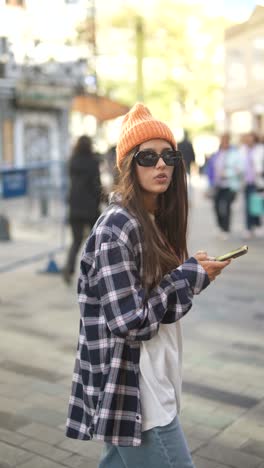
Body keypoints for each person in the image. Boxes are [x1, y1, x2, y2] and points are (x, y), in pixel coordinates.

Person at [66, 103, 230, 468]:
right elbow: (129, 321)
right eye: (148, 156)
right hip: (137, 393)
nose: (161, 164)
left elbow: (162, 301)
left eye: (168, 155)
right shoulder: (116, 228)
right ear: (128, 164)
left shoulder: (153, 220)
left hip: (154, 380)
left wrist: (193, 274)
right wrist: (187, 278)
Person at [63, 135, 101, 284]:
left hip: (75, 206)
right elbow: (96, 185)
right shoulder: (93, 162)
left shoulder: (72, 161)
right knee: (96, 242)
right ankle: (96, 273)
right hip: (90, 208)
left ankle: (69, 269)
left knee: (76, 241)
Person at [206, 133, 241, 239]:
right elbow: (211, 169)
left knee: (225, 207)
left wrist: (227, 174)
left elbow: (239, 169)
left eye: (226, 140)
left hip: (230, 185)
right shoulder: (217, 154)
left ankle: (226, 229)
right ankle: (220, 226)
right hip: (217, 185)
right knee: (216, 206)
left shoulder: (235, 154)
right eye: (222, 140)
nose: (224, 142)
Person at [239, 132, 264, 238]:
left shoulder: (261, 149)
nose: (249, 141)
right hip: (246, 182)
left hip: (258, 181)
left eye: (251, 138)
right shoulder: (242, 150)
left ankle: (256, 224)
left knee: (256, 204)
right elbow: (239, 164)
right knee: (248, 205)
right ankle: (249, 227)